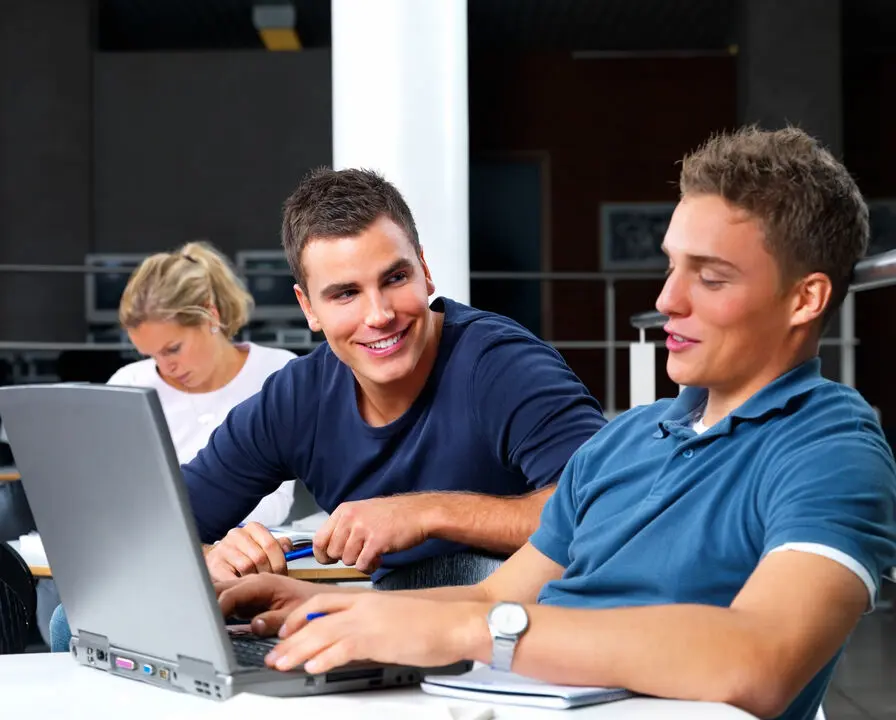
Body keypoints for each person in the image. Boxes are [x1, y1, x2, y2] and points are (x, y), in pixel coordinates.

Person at [214, 127, 896, 720]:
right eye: (671, 268)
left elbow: (762, 660)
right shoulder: (627, 440)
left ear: (805, 299)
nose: (666, 300)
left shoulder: (831, 445)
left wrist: (482, 633)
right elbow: (490, 596)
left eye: (710, 278)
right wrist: (343, 611)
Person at [189, 168, 606, 586]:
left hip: (530, 627)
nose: (380, 315)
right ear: (309, 308)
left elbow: (609, 510)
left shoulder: (503, 366)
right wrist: (210, 559)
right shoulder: (296, 398)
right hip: (396, 627)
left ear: (423, 270)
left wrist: (427, 512)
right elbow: (157, 526)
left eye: (395, 278)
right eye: (346, 294)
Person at [47, 241, 297, 650]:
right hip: (163, 562)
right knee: (66, 619)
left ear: (211, 316)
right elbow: (113, 504)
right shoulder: (130, 383)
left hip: (257, 562)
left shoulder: (279, 374)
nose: (166, 368)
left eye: (173, 349)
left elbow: (272, 505)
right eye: (151, 355)